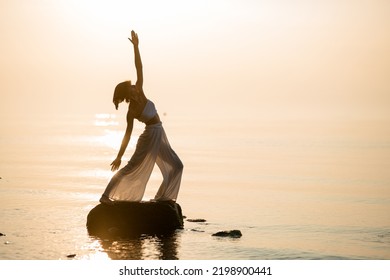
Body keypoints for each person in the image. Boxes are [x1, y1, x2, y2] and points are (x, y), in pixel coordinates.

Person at [99, 30, 183, 204]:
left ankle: (162, 198)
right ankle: (105, 196)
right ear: (126, 92)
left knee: (177, 166)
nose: (133, 87)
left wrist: (136, 47)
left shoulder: (140, 91)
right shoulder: (132, 111)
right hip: (150, 135)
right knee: (131, 167)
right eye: (129, 87)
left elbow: (139, 67)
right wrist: (119, 156)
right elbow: (127, 135)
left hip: (159, 132)